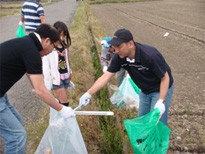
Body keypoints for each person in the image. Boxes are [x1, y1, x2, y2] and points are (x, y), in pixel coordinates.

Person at [0, 24, 75, 154]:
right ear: (46, 41)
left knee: (18, 125)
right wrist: (61, 108)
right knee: (17, 137)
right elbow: (40, 90)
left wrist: (48, 96)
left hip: (2, 95)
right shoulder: (31, 52)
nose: (52, 51)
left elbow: (33, 78)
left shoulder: (25, 44)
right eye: (53, 47)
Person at [79, 28, 174, 125]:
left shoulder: (150, 55)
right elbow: (106, 76)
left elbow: (165, 78)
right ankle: (145, 140)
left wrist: (161, 100)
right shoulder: (119, 57)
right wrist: (88, 93)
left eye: (119, 46)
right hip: (145, 91)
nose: (116, 50)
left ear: (131, 44)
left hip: (160, 88)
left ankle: (159, 140)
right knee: (142, 120)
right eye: (115, 47)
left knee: (156, 122)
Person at [42, 21, 73, 106]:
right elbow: (45, 65)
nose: (62, 38)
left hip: (65, 75)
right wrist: (47, 81)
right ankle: (64, 116)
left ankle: (60, 117)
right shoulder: (50, 48)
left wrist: (70, 71)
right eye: (60, 35)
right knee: (65, 102)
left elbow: (67, 59)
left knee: (63, 100)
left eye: (64, 35)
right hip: (56, 78)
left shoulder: (64, 46)